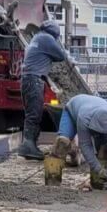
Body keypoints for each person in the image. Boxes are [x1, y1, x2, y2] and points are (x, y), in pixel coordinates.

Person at [19, 20, 70, 160]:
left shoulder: (37, 37)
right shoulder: (47, 39)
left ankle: (30, 146)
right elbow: (61, 56)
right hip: (34, 81)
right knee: (34, 114)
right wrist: (58, 44)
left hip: (28, 79)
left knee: (32, 113)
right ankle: (28, 147)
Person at [58, 93, 107, 188]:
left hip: (94, 114)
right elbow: (85, 144)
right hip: (73, 110)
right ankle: (53, 182)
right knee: (61, 143)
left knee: (104, 149)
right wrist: (98, 169)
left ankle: (99, 182)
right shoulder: (84, 118)